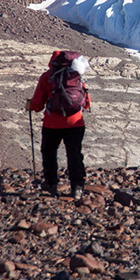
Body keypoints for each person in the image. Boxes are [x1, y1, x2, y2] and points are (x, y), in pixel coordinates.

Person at [26, 50, 91, 200]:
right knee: (74, 154)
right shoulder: (76, 75)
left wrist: (31, 106)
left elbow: (38, 103)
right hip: (76, 123)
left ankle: (51, 184)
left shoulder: (47, 76)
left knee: (49, 151)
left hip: (52, 124)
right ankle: (77, 187)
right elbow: (86, 101)